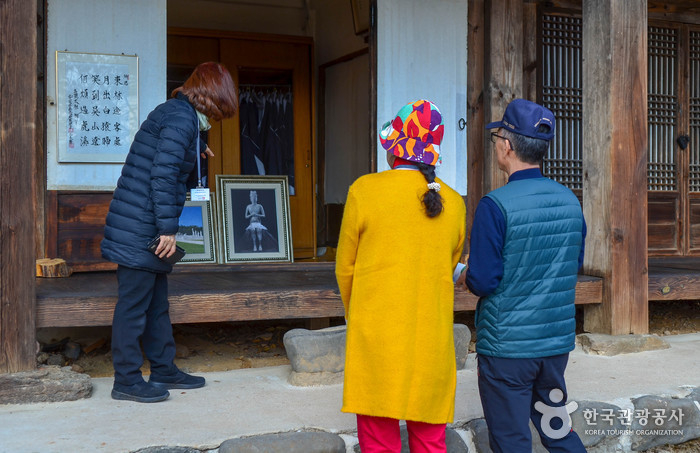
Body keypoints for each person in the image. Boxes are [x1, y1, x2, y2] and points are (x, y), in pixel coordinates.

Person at [101, 62, 238, 403]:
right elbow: (161, 177)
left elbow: (173, 171)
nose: (219, 118)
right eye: (222, 108)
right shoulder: (181, 119)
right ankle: (127, 380)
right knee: (133, 307)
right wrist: (168, 230)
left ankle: (163, 368)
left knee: (157, 305)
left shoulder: (181, 118)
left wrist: (196, 149)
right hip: (141, 228)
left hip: (141, 223)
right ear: (212, 96)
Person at [336, 99, 466, 452]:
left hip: (378, 334)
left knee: (379, 439)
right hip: (431, 338)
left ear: (393, 151)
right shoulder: (454, 203)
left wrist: (356, 312)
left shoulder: (364, 191)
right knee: (430, 440)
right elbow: (451, 264)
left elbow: (344, 267)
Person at [458, 99, 587, 452]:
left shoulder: (495, 205)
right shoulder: (569, 201)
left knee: (512, 438)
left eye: (498, 136)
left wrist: (466, 273)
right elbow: (571, 265)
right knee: (557, 428)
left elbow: (483, 281)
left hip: (508, 347)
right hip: (554, 343)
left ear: (507, 145)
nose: (497, 143)